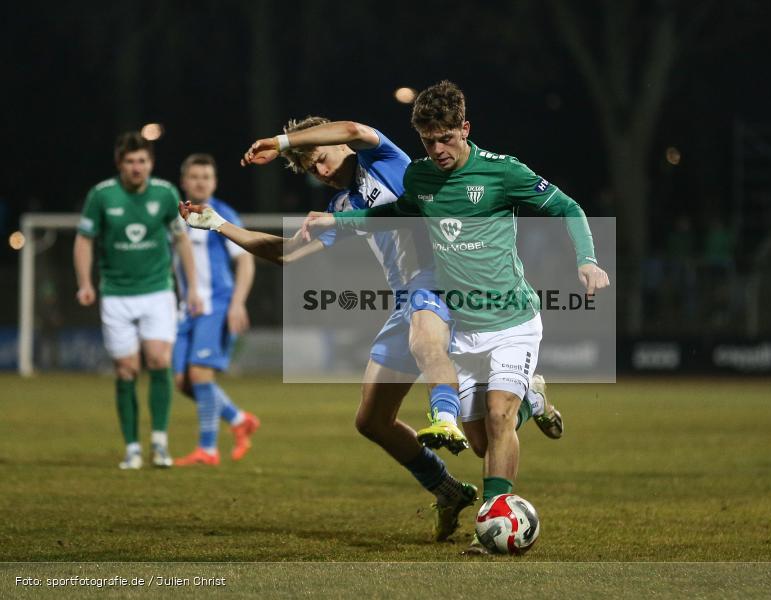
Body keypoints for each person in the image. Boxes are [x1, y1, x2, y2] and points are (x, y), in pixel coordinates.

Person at [300, 80, 609, 553]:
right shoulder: (421, 179)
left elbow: (567, 206)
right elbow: (393, 214)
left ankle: (492, 524)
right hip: (462, 329)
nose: (439, 150)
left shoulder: (503, 173)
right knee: (483, 443)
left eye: (447, 138)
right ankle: (536, 399)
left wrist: (586, 259)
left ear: (465, 129)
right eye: (429, 141)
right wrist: (336, 222)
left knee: (500, 417)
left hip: (512, 320)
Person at [183, 117, 480, 540]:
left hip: (442, 281)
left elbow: (353, 129)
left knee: (473, 399)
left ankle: (454, 414)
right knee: (372, 421)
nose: (321, 172)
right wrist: (217, 224)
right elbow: (285, 253)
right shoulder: (340, 207)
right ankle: (448, 489)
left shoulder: (383, 157)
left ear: (335, 145)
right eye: (311, 170)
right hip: (405, 302)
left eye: (321, 157)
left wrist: (282, 142)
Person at [74, 131, 201, 470]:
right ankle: (132, 447)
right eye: (130, 161)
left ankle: (159, 443)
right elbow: (84, 240)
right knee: (126, 369)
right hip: (116, 294)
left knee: (159, 360)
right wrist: (85, 282)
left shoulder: (165, 193)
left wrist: (191, 288)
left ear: (151, 163)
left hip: (158, 291)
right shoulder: (101, 196)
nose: (136, 167)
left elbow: (182, 241)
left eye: (142, 161)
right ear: (120, 164)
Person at [170, 154, 258, 466]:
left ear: (215, 182)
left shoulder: (223, 214)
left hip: (217, 304)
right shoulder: (176, 215)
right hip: (186, 310)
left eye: (206, 177)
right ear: (184, 181)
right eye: (195, 177)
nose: (200, 182)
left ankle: (207, 448)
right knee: (183, 382)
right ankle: (238, 418)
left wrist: (237, 303)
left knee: (200, 374)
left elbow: (245, 259)